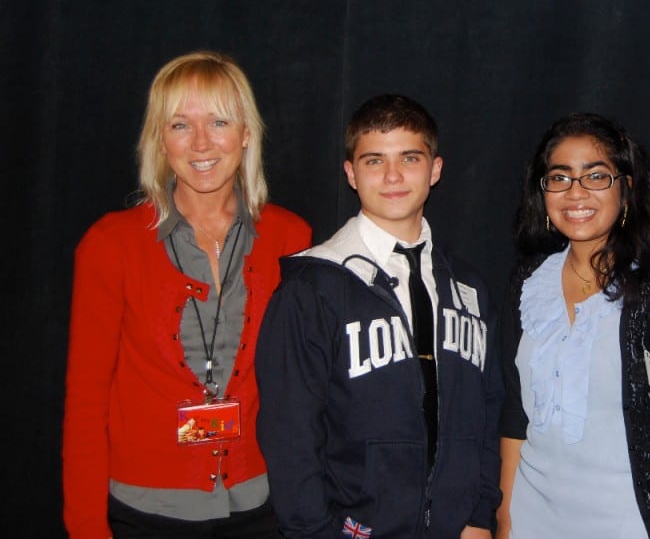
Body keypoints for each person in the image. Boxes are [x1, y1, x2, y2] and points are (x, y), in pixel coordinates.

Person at [63, 51, 312, 539]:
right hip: (145, 513)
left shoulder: (291, 238)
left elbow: (303, 391)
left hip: (263, 506)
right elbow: (85, 403)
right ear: (160, 138)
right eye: (180, 125)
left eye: (219, 121)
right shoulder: (110, 245)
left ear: (245, 134)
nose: (201, 142)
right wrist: (87, 528)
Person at [255, 94, 502, 539]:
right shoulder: (312, 289)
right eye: (374, 161)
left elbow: (487, 408)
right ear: (351, 174)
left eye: (409, 157)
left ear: (435, 168)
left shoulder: (468, 287)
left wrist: (479, 515)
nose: (392, 176)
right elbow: (289, 437)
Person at [497, 112, 650, 539]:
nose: (575, 192)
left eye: (596, 176)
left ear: (627, 190)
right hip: (531, 523)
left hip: (627, 526)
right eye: (559, 178)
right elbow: (515, 414)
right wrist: (504, 521)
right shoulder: (527, 284)